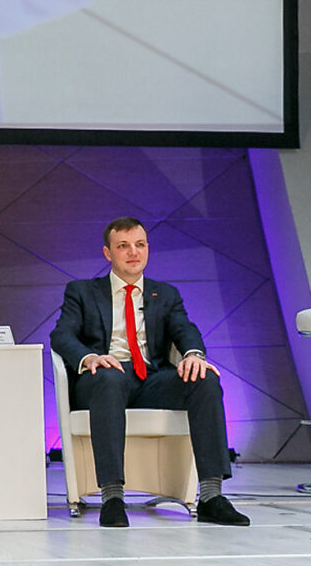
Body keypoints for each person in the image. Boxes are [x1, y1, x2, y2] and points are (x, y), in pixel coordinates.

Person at [52, 217, 249, 527]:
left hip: (150, 379)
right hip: (103, 379)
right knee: (109, 377)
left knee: (204, 378)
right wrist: (90, 357)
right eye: (123, 246)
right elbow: (62, 334)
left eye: (140, 245)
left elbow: (185, 329)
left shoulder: (164, 294)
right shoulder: (82, 291)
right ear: (108, 253)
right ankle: (112, 498)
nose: (133, 252)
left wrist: (194, 355)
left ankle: (211, 496)